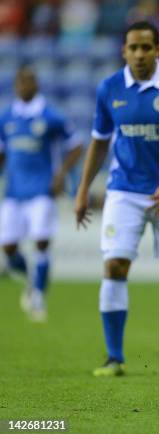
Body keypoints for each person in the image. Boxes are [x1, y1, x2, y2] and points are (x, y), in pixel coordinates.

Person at [74, 21, 159, 376]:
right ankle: (114, 358)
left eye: (145, 48)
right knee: (114, 266)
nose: (139, 54)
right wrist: (82, 189)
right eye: (132, 48)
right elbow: (100, 141)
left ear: (157, 50)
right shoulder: (109, 88)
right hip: (124, 191)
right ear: (124, 51)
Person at [0, 66, 83, 322]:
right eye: (21, 82)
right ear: (15, 86)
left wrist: (61, 175)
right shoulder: (7, 118)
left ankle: (38, 295)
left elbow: (76, 144)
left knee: (41, 242)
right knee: (9, 247)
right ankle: (31, 280)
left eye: (29, 82)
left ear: (36, 85)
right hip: (14, 192)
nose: (25, 86)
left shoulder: (50, 116)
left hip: (41, 191)